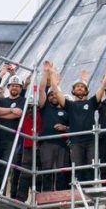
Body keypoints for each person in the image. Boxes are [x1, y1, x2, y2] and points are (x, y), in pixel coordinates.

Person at [51, 61, 106, 183]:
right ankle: (78, 192)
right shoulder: (70, 105)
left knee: (91, 167)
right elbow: (57, 93)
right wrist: (53, 78)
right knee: (78, 168)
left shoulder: (91, 103)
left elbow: (102, 88)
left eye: (82, 87)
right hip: (76, 141)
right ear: (73, 91)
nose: (79, 88)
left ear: (86, 91)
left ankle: (91, 191)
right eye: (77, 86)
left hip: (91, 141)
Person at [37, 63, 71, 191]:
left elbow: (74, 127)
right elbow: (41, 90)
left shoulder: (67, 110)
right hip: (48, 143)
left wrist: (65, 128)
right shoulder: (45, 107)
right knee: (47, 170)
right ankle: (46, 194)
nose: (53, 96)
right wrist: (46, 73)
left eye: (55, 94)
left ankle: (61, 195)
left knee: (62, 172)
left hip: (63, 145)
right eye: (50, 95)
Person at [0, 73, 28, 196]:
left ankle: (3, 194)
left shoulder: (23, 100)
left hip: (13, 140)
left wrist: (2, 113)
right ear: (8, 87)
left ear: (20, 88)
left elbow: (18, 114)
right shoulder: (2, 100)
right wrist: (10, 110)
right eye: (12, 85)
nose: (14, 87)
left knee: (6, 166)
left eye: (17, 86)